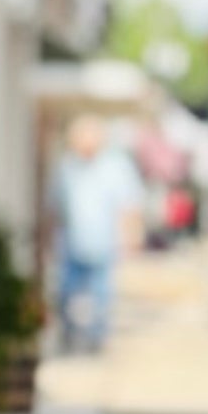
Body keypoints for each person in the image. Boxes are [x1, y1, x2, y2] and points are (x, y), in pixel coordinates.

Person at [52, 111, 148, 354]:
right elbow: (54, 207)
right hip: (71, 242)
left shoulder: (115, 165)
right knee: (65, 293)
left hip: (103, 243)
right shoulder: (66, 166)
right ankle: (69, 335)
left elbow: (129, 205)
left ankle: (96, 339)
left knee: (101, 297)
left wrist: (132, 238)